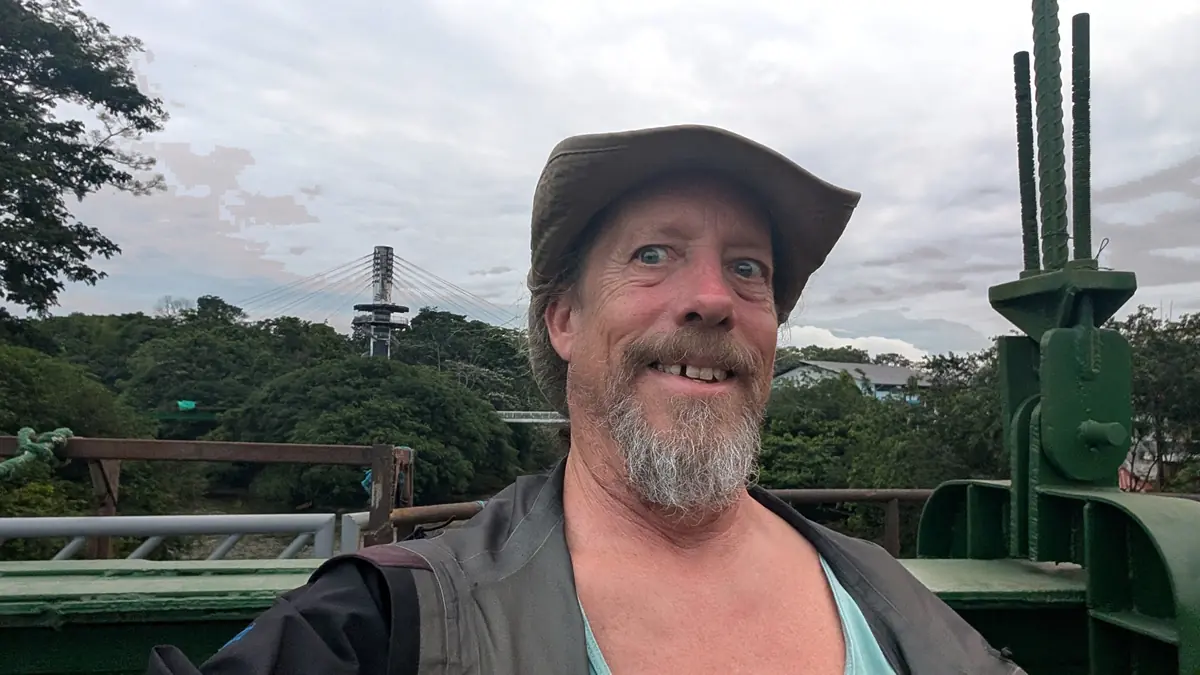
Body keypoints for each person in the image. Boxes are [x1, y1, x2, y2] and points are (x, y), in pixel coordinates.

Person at [147, 125, 1025, 674]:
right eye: (653, 255)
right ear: (564, 318)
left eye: (747, 267)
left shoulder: (896, 604)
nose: (711, 297)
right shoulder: (389, 627)